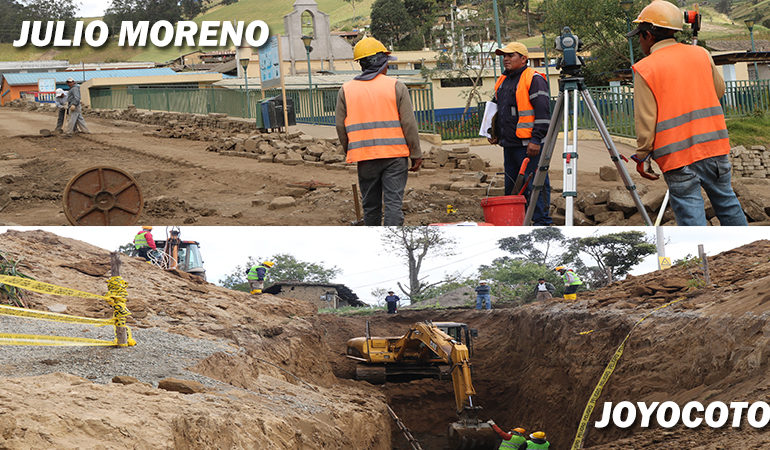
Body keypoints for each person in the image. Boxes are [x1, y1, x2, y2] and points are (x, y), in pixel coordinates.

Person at [627, 0, 746, 226]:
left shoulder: (645, 68)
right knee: (728, 204)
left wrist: (642, 156)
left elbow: (646, 120)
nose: (640, 42)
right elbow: (718, 90)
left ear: (648, 35)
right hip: (714, 149)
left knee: (692, 218)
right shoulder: (700, 54)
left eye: (639, 36)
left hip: (678, 157)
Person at [335, 37, 423, 226]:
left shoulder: (346, 90)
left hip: (365, 158)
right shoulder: (396, 86)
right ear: (382, 63)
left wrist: (350, 150)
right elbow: (408, 123)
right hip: (395, 157)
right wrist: (415, 153)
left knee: (371, 207)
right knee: (393, 205)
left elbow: (341, 127)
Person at [488, 42, 553, 225]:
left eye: (511, 55)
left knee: (535, 185)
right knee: (512, 188)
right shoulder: (503, 80)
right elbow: (499, 111)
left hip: (528, 146)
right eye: (504, 56)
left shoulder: (533, 79)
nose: (506, 59)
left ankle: (542, 223)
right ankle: (517, 221)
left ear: (524, 59)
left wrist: (536, 139)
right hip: (509, 145)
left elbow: (542, 113)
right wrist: (495, 133)